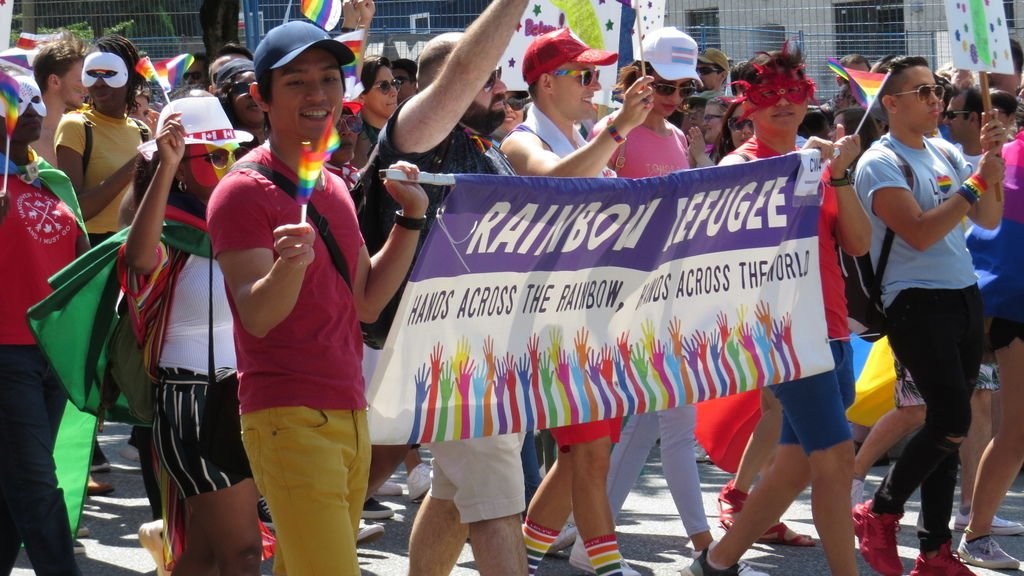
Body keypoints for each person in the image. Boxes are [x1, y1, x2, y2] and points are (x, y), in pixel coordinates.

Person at [208, 21, 427, 575]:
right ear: (260, 97)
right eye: (296, 82)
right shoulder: (241, 190)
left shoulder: (331, 186)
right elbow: (257, 316)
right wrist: (288, 266)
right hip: (287, 416)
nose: (317, 95)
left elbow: (367, 304)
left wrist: (411, 218)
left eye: (329, 78)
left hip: (350, 411)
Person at [683, 44, 871, 576]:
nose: (783, 103)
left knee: (791, 467)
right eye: (770, 95)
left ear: (807, 98)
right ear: (749, 106)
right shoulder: (738, 168)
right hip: (785, 337)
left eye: (792, 93)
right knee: (835, 461)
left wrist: (837, 174)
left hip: (833, 329)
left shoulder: (820, 162)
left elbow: (856, 244)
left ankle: (716, 562)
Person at [366, 1, 531, 572]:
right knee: (498, 503)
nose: (501, 90)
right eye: (490, 80)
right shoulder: (418, 135)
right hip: (444, 345)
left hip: (484, 341)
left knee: (457, 495)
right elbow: (461, 75)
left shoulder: (486, 147)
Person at [500, 26, 654, 576]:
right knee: (589, 454)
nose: (596, 84)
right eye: (583, 74)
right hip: (551, 324)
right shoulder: (522, 139)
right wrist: (616, 131)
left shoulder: (581, 136)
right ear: (544, 84)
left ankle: (516, 559)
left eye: (596, 74)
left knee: (576, 459)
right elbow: (555, 186)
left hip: (595, 317)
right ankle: (607, 569)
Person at [851, 55, 1006, 576]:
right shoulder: (880, 161)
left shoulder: (943, 149)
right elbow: (918, 230)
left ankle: (935, 548)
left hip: (962, 294)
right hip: (916, 301)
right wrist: (974, 186)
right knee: (951, 418)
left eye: (936, 90)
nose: (935, 99)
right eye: (922, 92)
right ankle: (881, 508)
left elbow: (987, 217)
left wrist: (991, 169)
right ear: (890, 103)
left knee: (951, 427)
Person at [584, 26, 715, 567]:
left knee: (650, 424)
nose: (675, 99)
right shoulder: (611, 130)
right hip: (623, 297)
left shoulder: (678, 139)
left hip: (668, 294)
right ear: (638, 80)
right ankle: (706, 547)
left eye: (684, 90)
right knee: (657, 424)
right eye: (665, 87)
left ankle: (593, 533)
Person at [122, 96, 262, 576]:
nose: (229, 165)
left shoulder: (243, 219)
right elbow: (139, 260)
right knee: (243, 551)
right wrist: (167, 166)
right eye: (216, 155)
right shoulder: (170, 229)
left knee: (201, 556)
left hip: (239, 395)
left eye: (233, 154)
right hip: (190, 400)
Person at [0, 74, 87, 576]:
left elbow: (78, 266)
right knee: (35, 483)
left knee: (14, 484)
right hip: (5, 355)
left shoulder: (49, 180)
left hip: (52, 354)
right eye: (16, 102)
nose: (33, 108)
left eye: (35, 99)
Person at [959, 78, 1024, 571]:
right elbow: (988, 229)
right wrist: (993, 164)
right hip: (1013, 304)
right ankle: (976, 533)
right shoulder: (1010, 156)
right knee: (1017, 430)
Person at [32, 30, 87, 166]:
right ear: (54, 81)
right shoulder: (22, 134)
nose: (87, 88)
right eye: (81, 80)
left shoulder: (81, 131)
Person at [354, 56, 398, 168]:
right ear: (361, 96)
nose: (394, 92)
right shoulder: (349, 140)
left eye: (394, 83)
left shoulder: (406, 131)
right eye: (384, 86)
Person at [214, 58, 265, 149]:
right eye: (242, 87)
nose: (252, 94)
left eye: (259, 87)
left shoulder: (291, 142)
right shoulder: (217, 150)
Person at [325, 101, 363, 189]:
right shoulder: (314, 184)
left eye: (352, 122)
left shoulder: (361, 177)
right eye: (336, 124)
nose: (346, 131)